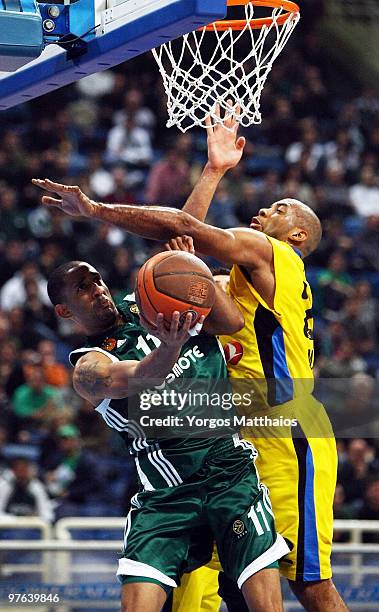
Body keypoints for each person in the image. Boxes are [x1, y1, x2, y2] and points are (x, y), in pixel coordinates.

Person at [33, 108, 345, 610]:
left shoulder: (275, 258)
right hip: (219, 452)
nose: (264, 210)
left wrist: (93, 209)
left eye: (279, 208)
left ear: (297, 238)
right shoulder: (222, 287)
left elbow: (183, 230)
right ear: (65, 312)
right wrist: (214, 172)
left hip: (285, 426)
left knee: (307, 582)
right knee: (198, 587)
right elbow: (181, 256)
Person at [45, 259, 289, 612]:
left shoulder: (155, 300)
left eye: (97, 279)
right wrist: (171, 345)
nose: (97, 289)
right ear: (64, 310)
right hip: (167, 495)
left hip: (230, 474)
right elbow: (136, 377)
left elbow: (231, 320)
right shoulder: (89, 367)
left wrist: (193, 262)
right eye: (83, 287)